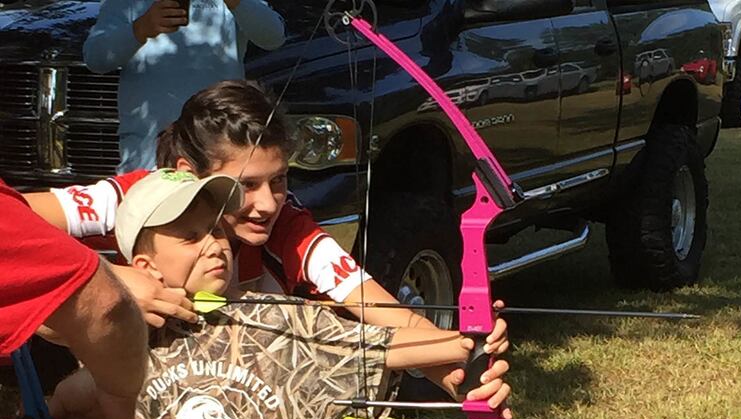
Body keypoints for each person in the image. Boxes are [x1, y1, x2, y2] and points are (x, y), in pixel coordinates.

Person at [24, 80, 511, 398]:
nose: (268, 203)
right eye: (246, 185)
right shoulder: (130, 200)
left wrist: (457, 364)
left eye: (278, 180)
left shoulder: (285, 225)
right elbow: (11, 221)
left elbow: (378, 310)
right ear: (186, 175)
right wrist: (105, 279)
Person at [113, 168, 511, 419]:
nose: (213, 245)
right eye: (189, 236)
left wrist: (468, 342)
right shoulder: (115, 328)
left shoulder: (276, 317)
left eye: (217, 230)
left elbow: (377, 343)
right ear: (143, 267)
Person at [0, 179, 149, 419]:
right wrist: (119, 400)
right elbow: (106, 304)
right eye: (190, 236)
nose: (212, 247)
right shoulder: (134, 190)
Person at [83, 0, 286, 172]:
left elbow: (273, 38)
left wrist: (237, 3)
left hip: (221, 142)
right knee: (148, 215)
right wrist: (141, 28)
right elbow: (96, 58)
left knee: (220, 214)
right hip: (148, 146)